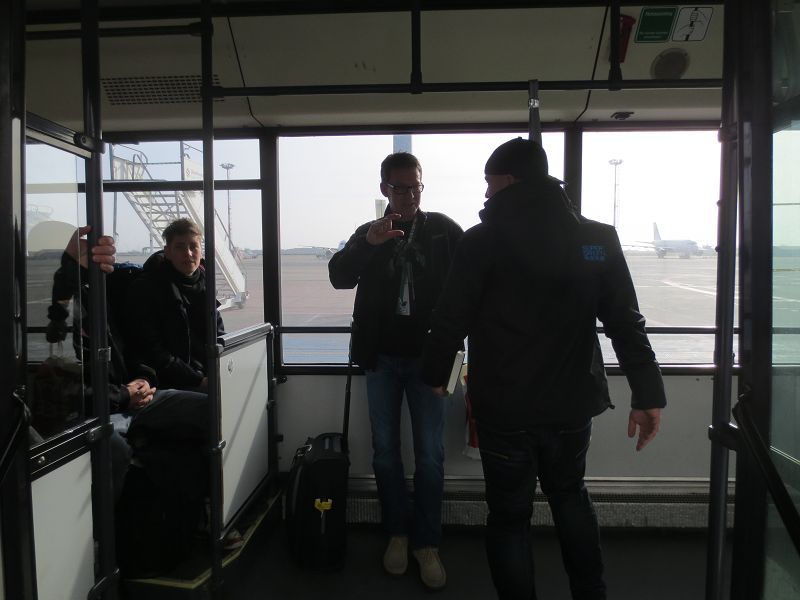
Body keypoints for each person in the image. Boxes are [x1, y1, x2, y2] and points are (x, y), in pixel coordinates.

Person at [421, 138, 666, 600]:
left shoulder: (481, 242)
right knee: (570, 496)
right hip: (571, 405)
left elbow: (450, 320)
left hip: (504, 409)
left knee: (509, 517)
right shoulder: (596, 240)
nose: (486, 192)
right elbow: (624, 322)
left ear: (509, 179)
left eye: (489, 182)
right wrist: (648, 394)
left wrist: (436, 376)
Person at [328, 152, 463, 590]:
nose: (409, 196)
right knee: (385, 452)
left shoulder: (442, 230)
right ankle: (397, 534)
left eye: (415, 187)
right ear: (384, 189)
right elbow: (339, 277)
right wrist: (369, 244)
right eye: (400, 188)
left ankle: (427, 543)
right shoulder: (368, 232)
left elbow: (473, 280)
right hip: (381, 359)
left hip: (430, 359)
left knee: (430, 455)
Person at [126, 218, 224, 392]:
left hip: (203, 376)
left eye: (193, 246)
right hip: (167, 382)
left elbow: (219, 336)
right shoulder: (147, 289)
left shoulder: (205, 286)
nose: (188, 253)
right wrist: (198, 381)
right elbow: (153, 352)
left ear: (201, 250)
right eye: (180, 247)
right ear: (168, 252)